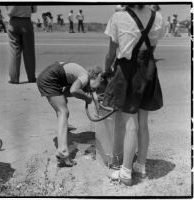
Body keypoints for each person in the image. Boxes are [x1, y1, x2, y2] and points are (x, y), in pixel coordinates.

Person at [103, 4, 165, 186]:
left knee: (131, 124)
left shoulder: (119, 17)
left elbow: (111, 54)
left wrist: (107, 71)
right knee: (143, 122)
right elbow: (152, 48)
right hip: (148, 70)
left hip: (127, 71)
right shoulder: (158, 18)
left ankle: (125, 172)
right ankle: (141, 166)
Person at [37, 62, 107, 166]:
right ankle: (62, 151)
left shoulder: (81, 77)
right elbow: (74, 90)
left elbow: (66, 92)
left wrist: (85, 94)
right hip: (49, 79)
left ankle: (65, 127)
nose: (93, 91)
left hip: (49, 78)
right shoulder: (85, 76)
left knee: (62, 105)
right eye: (96, 88)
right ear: (99, 77)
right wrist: (86, 98)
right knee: (63, 111)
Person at [6, 6, 37, 84]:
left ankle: (14, 78)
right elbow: (34, 9)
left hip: (13, 21)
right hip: (26, 21)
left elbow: (8, 10)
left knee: (14, 50)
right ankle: (31, 77)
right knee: (29, 51)